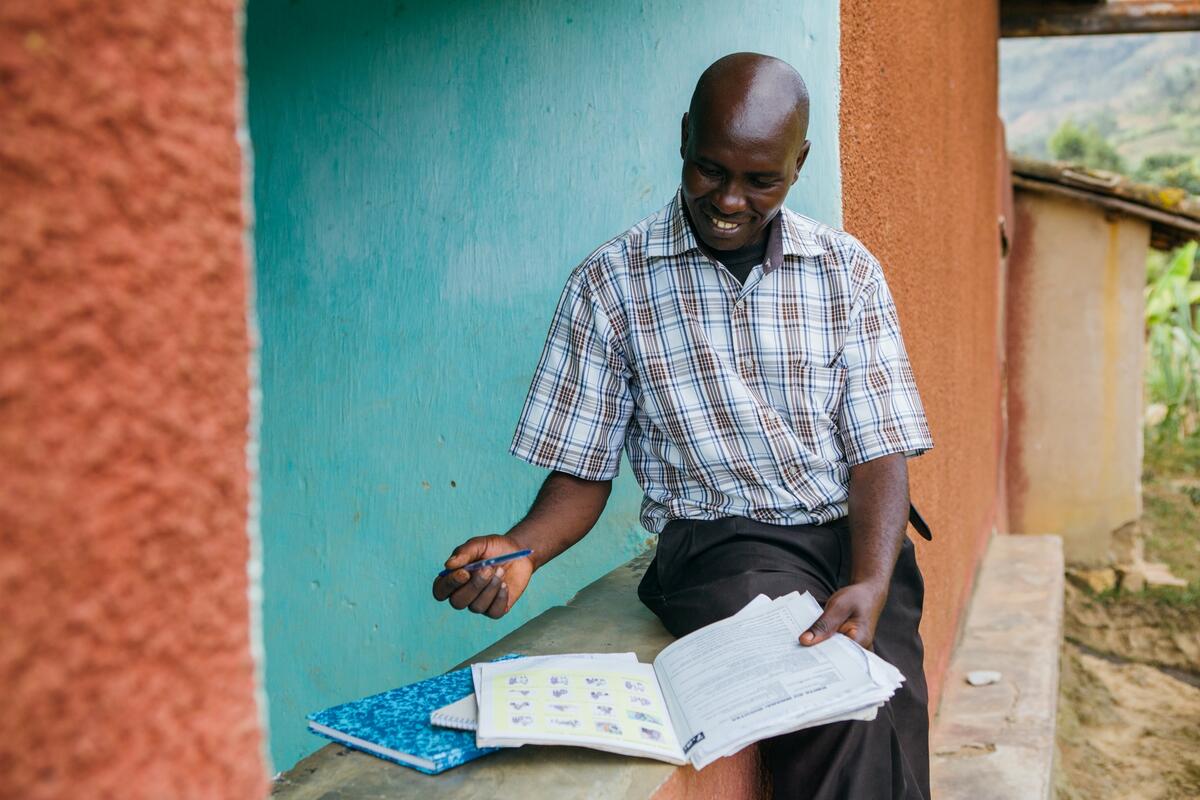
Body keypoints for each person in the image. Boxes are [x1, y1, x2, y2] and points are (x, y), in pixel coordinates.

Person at [432, 52, 933, 799]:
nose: (729, 199)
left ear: (798, 164)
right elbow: (580, 473)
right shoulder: (610, 284)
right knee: (834, 709)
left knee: (895, 713)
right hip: (728, 549)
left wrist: (870, 576)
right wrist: (520, 549)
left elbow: (879, 451)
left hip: (854, 538)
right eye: (710, 169)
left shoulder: (845, 270)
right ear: (683, 138)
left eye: (761, 180)